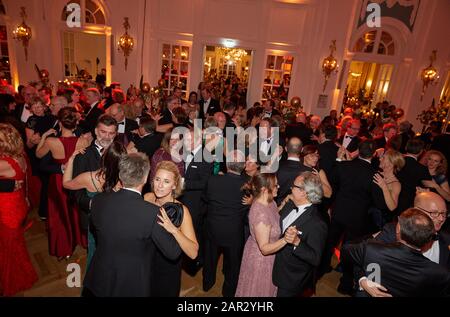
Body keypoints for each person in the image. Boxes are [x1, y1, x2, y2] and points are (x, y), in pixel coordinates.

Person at [83, 153, 182, 297]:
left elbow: (95, 228)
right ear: (145, 178)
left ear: (121, 175)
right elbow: (173, 253)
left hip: (100, 275)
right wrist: (174, 229)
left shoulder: (98, 200)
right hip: (131, 282)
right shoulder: (153, 213)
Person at [344, 208, 450, 297]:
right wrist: (363, 279)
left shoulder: (372, 249)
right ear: (428, 240)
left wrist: (372, 241)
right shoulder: (440, 274)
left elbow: (346, 250)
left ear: (398, 228)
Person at [36, 107, 90, 259]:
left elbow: (38, 154)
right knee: (76, 210)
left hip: (58, 181)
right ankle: (80, 239)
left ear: (59, 123)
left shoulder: (51, 141)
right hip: (75, 179)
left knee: (59, 215)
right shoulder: (83, 141)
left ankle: (63, 248)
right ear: (75, 123)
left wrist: (44, 136)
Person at [63, 141, 126, 268]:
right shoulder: (126, 180)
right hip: (116, 224)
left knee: (95, 256)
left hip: (96, 224)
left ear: (103, 157)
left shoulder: (89, 178)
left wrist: (71, 159)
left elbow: (66, 183)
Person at [235, 173, 296, 297]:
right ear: (263, 190)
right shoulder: (260, 214)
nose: (278, 187)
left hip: (269, 255)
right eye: (275, 185)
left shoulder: (270, 201)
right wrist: (285, 239)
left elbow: (272, 216)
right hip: (261, 261)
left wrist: (283, 204)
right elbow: (264, 249)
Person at [144, 161, 198, 297]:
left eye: (166, 181)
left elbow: (193, 253)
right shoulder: (147, 198)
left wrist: (174, 230)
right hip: (144, 263)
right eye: (157, 179)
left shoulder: (182, 211)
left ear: (174, 185)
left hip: (166, 268)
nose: (160, 185)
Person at [273, 172, 327, 297]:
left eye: (294, 186)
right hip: (275, 267)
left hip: (291, 278)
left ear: (304, 192)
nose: (291, 188)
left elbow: (315, 258)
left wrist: (297, 242)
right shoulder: (290, 205)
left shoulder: (317, 223)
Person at [203, 150, 248, 297]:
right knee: (233, 264)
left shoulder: (213, 180)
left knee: (210, 259)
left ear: (227, 165)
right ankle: (228, 292)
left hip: (213, 227)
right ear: (243, 166)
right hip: (233, 231)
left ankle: (207, 284)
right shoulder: (247, 186)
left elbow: (206, 198)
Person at [0, 123, 38, 296]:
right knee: (14, 245)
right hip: (17, 204)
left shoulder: (4, 163)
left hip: (7, 210)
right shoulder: (20, 155)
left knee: (8, 248)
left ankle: (12, 280)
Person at [371, 149, 404, 228]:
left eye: (383, 158)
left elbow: (392, 207)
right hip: (367, 215)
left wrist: (384, 186)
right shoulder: (376, 174)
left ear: (391, 164)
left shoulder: (396, 184)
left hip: (379, 221)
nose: (380, 159)